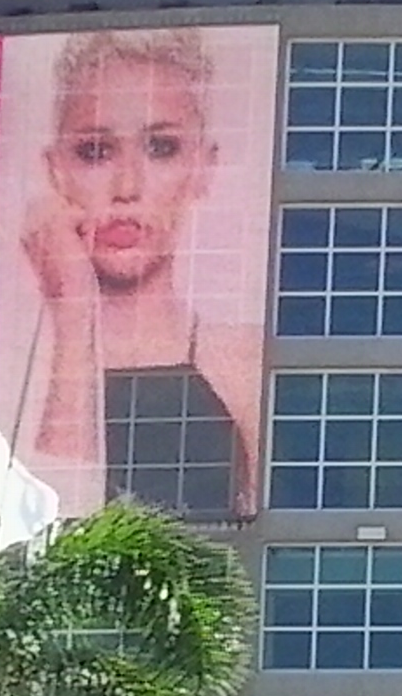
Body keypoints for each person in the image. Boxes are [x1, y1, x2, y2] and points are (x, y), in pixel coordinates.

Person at [18, 28, 263, 519]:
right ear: (56, 170)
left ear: (203, 166)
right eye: (95, 152)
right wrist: (71, 310)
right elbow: (52, 540)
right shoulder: (9, 376)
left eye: (161, 148)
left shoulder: (243, 366)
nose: (127, 187)